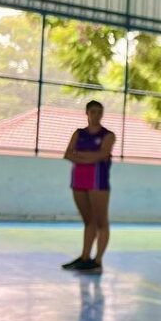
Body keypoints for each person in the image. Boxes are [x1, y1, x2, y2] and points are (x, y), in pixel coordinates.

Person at [61, 100, 115, 274]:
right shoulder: (79, 133)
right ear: (87, 113)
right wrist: (90, 156)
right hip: (78, 180)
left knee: (101, 221)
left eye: (99, 112)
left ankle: (97, 261)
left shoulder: (108, 135)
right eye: (93, 111)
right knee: (88, 220)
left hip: (98, 181)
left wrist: (80, 156)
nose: (96, 115)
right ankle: (85, 257)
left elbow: (102, 154)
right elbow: (68, 154)